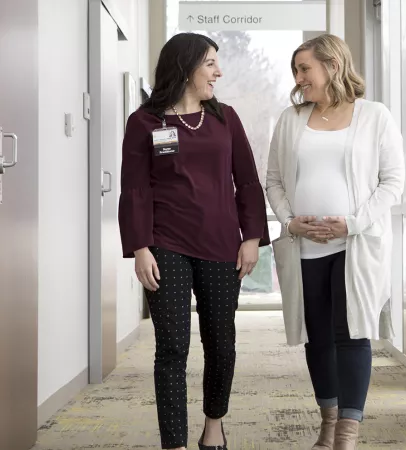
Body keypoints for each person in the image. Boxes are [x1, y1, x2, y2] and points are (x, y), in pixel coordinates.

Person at [118, 32, 270, 450]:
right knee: (171, 346)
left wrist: (252, 236)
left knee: (221, 342)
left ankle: (214, 425)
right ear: (185, 67)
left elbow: (248, 181)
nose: (218, 72)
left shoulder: (226, 118)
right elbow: (135, 189)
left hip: (222, 244)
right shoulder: (145, 122)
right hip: (165, 244)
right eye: (210, 64)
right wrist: (140, 247)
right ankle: (174, 443)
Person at [265, 34, 404, 450]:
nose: (298, 77)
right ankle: (327, 423)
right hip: (305, 247)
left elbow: (392, 182)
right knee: (318, 336)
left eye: (304, 68)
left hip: (355, 246)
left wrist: (353, 223)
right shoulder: (291, 119)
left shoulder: (374, 116)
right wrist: (291, 223)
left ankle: (347, 433)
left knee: (352, 334)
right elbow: (273, 181)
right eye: (296, 70)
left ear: (333, 65)